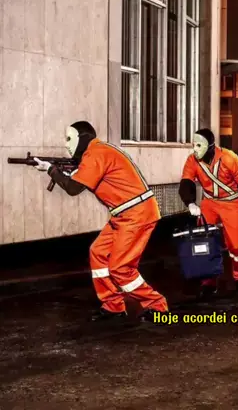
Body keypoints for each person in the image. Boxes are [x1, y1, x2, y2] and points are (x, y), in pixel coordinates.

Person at [33, 121, 168, 322]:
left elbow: (73, 188)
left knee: (120, 267)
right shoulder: (98, 152)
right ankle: (113, 305)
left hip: (136, 214)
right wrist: (58, 170)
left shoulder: (95, 154)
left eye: (69, 139)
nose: (66, 144)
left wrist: (51, 170)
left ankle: (157, 306)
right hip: (124, 214)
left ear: (83, 139)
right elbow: (77, 180)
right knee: (98, 253)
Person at [179, 128, 238, 299]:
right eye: (194, 145)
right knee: (205, 240)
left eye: (198, 145)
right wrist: (190, 202)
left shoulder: (229, 158)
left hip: (232, 202)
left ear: (210, 146)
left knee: (236, 244)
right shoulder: (192, 160)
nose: (194, 149)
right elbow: (186, 182)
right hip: (209, 203)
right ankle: (208, 282)